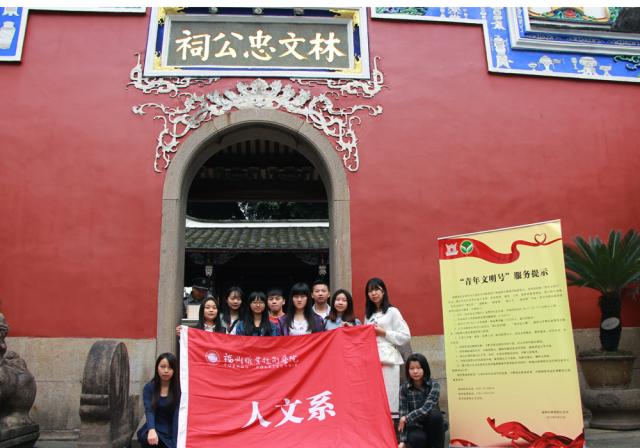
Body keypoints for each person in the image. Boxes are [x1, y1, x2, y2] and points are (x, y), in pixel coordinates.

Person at [364, 277, 411, 419]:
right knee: (374, 397)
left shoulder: (392, 312)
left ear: (383, 291)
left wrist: (383, 333)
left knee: (390, 396)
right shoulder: (368, 315)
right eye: (370, 291)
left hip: (388, 358)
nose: (374, 293)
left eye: (376, 289)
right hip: (372, 358)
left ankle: (391, 427)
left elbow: (405, 336)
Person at [398, 353, 445, 448]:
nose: (415, 371)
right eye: (412, 368)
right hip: (415, 426)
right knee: (417, 438)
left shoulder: (434, 385)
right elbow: (403, 415)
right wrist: (403, 440)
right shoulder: (404, 389)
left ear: (425, 369)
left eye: (419, 368)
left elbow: (426, 408)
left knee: (436, 415)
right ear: (407, 370)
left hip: (432, 424)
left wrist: (406, 418)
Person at [137, 353, 180, 448]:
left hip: (172, 429)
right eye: (162, 367)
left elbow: (176, 416)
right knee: (147, 439)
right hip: (155, 426)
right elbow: (149, 410)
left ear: (175, 370)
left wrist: (175, 441)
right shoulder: (149, 388)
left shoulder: (179, 389)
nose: (166, 371)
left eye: (170, 367)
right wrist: (151, 429)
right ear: (157, 368)